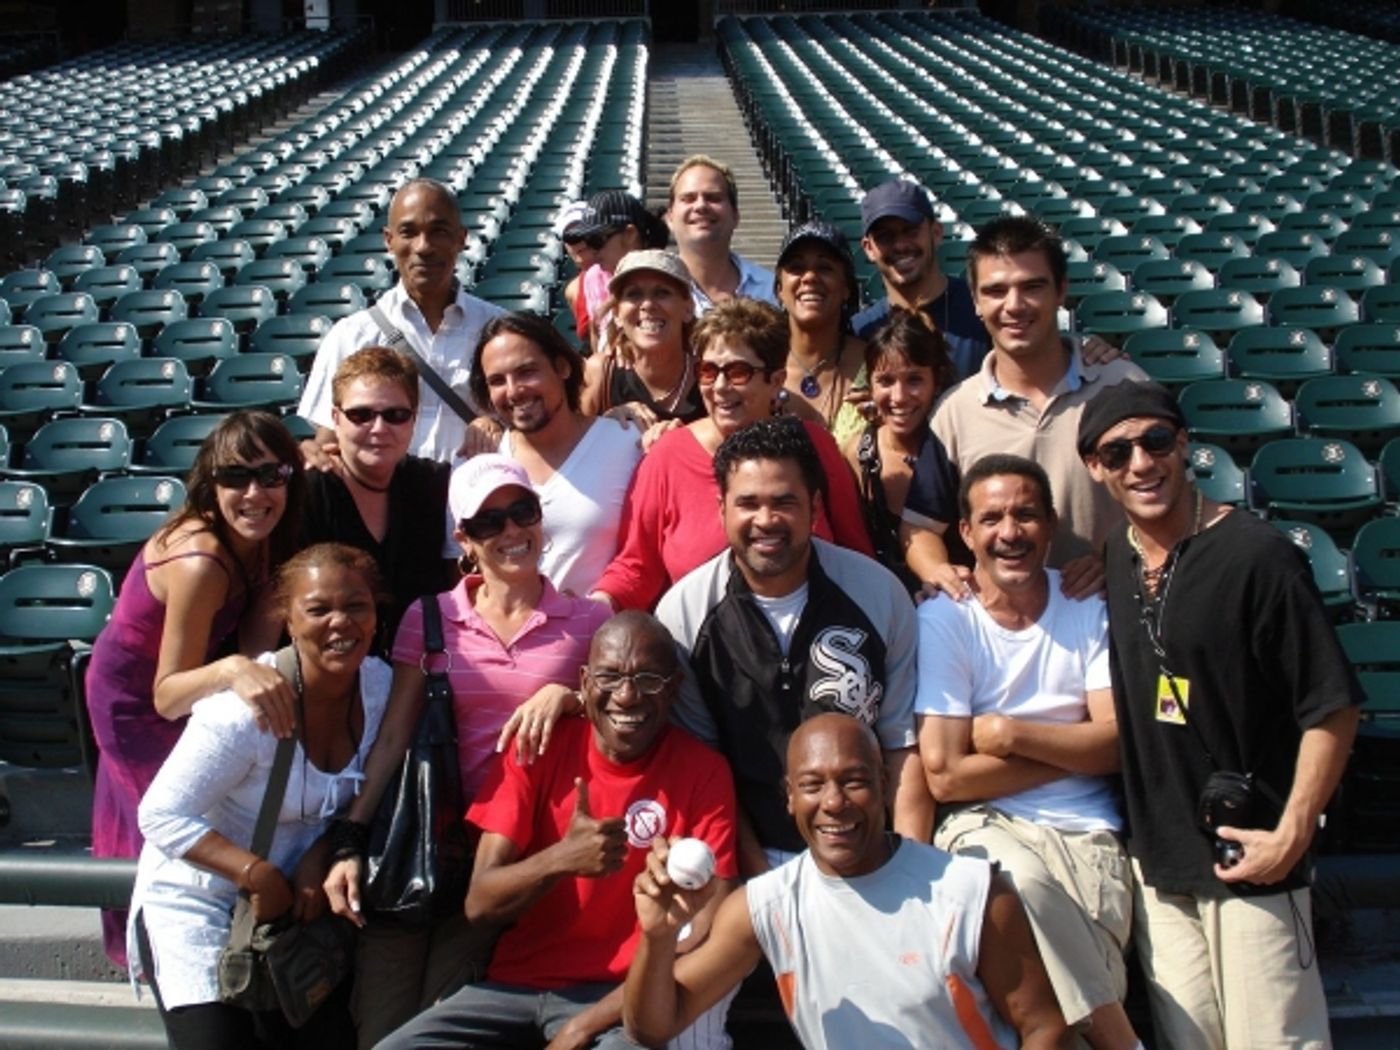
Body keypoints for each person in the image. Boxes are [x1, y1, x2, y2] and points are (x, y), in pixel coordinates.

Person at [1079, 380, 1362, 1049]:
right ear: (1096, 468)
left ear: (1185, 445)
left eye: (1155, 442)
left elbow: (1333, 705)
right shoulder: (1117, 558)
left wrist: (1293, 832)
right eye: (1118, 453)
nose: (1141, 464)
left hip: (1255, 856)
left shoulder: (1258, 556)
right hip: (1164, 863)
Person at [322, 453, 611, 1047]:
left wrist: (570, 698)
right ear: (464, 539)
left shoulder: (586, 623)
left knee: (442, 1023)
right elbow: (396, 737)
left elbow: (622, 720)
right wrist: (352, 838)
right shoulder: (429, 618)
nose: (510, 532)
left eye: (521, 512)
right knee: (382, 1028)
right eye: (488, 523)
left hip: (509, 859)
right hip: (424, 844)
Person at [376, 611, 740, 1050]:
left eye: (648, 679)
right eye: (610, 676)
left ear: (674, 688)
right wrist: (563, 858)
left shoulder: (704, 772)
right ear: (584, 682)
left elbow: (699, 933)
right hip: (511, 988)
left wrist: (582, 1026)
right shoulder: (538, 748)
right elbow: (480, 902)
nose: (626, 696)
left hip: (619, 1001)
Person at [623, 713, 1070, 1050]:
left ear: (883, 783)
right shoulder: (766, 905)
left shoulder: (972, 893)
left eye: (853, 781)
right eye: (813, 785)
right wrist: (658, 938)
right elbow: (654, 1026)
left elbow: (1044, 1027)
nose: (834, 803)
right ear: (790, 797)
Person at [128, 543, 393, 1050]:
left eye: (356, 606)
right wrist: (257, 874)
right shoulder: (243, 712)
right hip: (200, 901)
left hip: (293, 913)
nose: (341, 622)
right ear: (288, 622)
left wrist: (326, 852)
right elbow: (160, 814)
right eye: (318, 609)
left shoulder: (381, 690)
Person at [916, 454, 1140, 1049]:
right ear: (965, 533)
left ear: (1051, 523)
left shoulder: (1086, 609)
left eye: (1025, 515)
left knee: (1059, 1017)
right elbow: (944, 777)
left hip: (1088, 836)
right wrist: (1076, 747)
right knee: (1019, 881)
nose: (1009, 533)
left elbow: (1117, 744)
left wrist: (1012, 735)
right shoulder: (947, 620)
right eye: (991, 519)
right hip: (983, 827)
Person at [655, 417, 928, 875]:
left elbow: (901, 747)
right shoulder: (682, 616)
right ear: (721, 507)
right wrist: (763, 886)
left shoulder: (880, 596)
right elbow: (703, 772)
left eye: (784, 501)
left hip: (869, 854)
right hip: (745, 861)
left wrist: (907, 868)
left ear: (816, 505)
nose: (766, 520)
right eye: (748, 503)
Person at [87, 410, 306, 966]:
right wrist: (234, 670)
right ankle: (168, 959)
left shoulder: (263, 536)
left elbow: (259, 640)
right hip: (137, 698)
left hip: (189, 676)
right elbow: (166, 693)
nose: (254, 493)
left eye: (271, 475)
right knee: (174, 822)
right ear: (211, 484)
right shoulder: (201, 562)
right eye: (235, 478)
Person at [901, 215, 1146, 601]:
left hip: (1110, 617)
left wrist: (1112, 559)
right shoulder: (955, 412)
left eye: (1032, 287)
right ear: (977, 301)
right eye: (996, 291)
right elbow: (920, 529)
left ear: (1061, 290)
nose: (1014, 306)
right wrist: (940, 572)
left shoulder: (1123, 387)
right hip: (1005, 639)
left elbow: (1173, 506)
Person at [593, 300, 873, 613]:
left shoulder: (814, 446)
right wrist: (593, 609)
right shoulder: (666, 457)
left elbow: (856, 553)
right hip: (703, 647)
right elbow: (636, 568)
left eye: (738, 372)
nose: (721, 387)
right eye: (708, 372)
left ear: (776, 381)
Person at [298, 178, 505, 464]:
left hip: (477, 501)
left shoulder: (499, 330)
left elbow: (531, 428)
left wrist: (501, 429)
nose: (424, 247)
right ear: (389, 240)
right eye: (408, 232)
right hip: (386, 505)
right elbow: (329, 440)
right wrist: (314, 454)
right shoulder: (350, 335)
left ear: (461, 239)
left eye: (439, 232)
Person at [468, 311, 642, 597]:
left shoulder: (627, 445)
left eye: (526, 372)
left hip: (605, 634)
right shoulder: (482, 461)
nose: (513, 391)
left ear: (562, 367)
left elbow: (645, 556)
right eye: (497, 381)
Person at [302, 346, 453, 654]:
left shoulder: (436, 485)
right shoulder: (307, 492)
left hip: (418, 674)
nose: (379, 429)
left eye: (396, 415)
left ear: (413, 420)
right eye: (361, 415)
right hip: (327, 677)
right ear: (335, 418)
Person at [842, 309, 955, 591]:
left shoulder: (956, 450)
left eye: (914, 380)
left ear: (936, 381)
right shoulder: (856, 454)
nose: (899, 397)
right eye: (886, 381)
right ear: (869, 384)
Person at [852, 178, 992, 378]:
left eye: (910, 231)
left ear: (936, 233)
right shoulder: (862, 331)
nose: (900, 245)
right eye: (885, 237)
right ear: (868, 249)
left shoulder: (981, 309)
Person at [582, 249, 705, 435]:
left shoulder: (711, 376)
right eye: (634, 294)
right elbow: (571, 449)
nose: (647, 304)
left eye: (662, 293)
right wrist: (605, 424)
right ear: (617, 314)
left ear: (688, 309)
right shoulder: (600, 374)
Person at [773, 220, 869, 447]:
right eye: (796, 268)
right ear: (779, 290)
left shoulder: (876, 363)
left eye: (825, 268)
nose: (809, 278)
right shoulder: (757, 363)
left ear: (846, 287)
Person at [664, 155, 777, 313]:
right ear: (669, 217)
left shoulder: (772, 291)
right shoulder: (652, 293)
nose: (701, 206)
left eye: (714, 198)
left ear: (735, 215)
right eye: (688, 198)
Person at [573, 190, 671, 351]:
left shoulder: (668, 278)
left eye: (596, 241)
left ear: (630, 234)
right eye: (586, 242)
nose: (591, 251)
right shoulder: (594, 277)